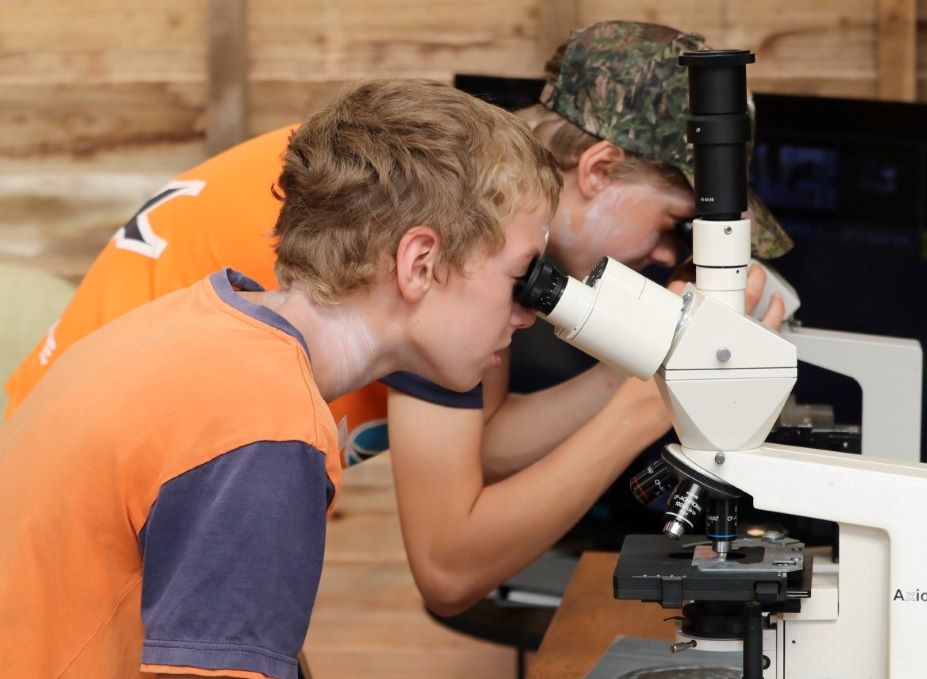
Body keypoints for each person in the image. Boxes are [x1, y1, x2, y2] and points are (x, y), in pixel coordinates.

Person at [3, 21, 792, 615]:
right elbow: (448, 565)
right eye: (667, 228)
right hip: (75, 577)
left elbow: (478, 442)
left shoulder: (450, 193)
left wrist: (650, 364)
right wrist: (643, 406)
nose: (665, 259)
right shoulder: (456, 233)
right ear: (597, 170)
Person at [0, 79, 572, 677]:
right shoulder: (264, 428)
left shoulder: (200, 321)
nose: (526, 313)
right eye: (518, 276)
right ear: (419, 264)